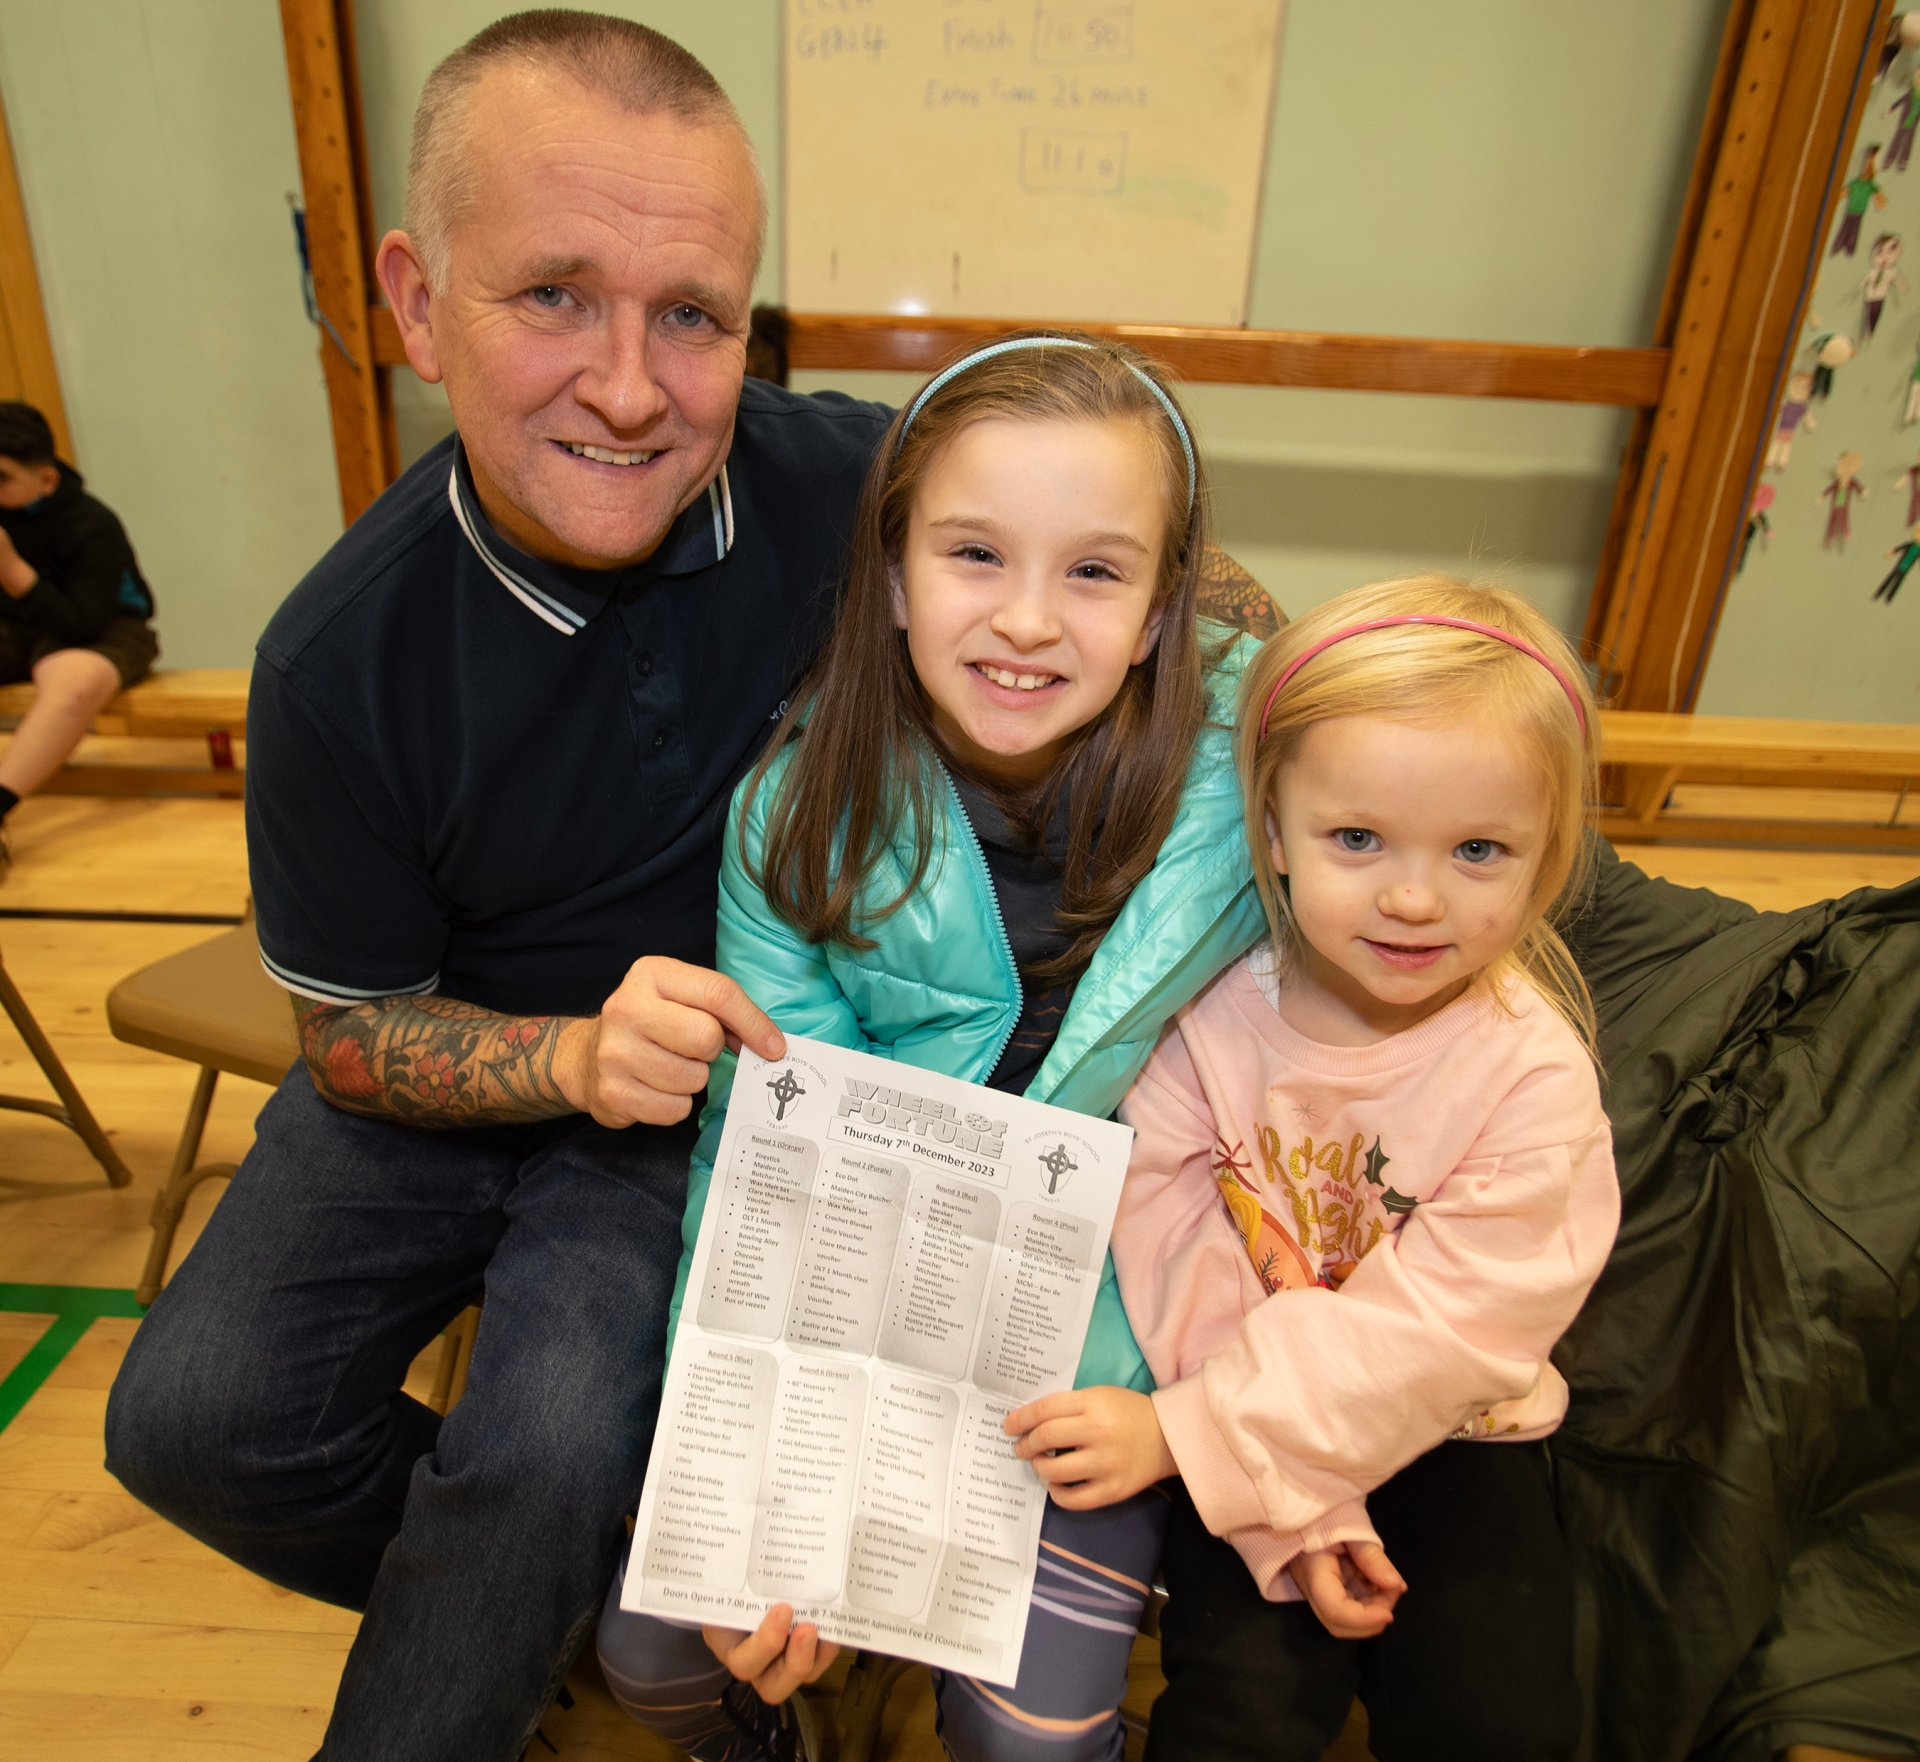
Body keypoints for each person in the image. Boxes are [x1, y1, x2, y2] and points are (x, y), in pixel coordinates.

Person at [100, 16, 1275, 1758]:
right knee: (192, 1419)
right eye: (553, 295)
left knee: (549, 1437)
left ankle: (572, 1583)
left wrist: (1332, 722)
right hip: (471, 1059)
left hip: (729, 1090)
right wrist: (569, 1057)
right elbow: (346, 1036)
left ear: (748, 328)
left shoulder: (850, 485)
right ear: (415, 302)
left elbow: (1140, 564)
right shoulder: (336, 662)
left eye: (693, 317)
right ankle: (567, 1598)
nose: (631, 387)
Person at [595, 332, 1267, 1761]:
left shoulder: (1262, 781)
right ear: (895, 578)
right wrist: (757, 1473)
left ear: (1162, 610)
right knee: (654, 1653)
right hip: (860, 1328)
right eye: (974, 554)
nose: (1028, 619)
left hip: (1108, 1363)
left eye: (1095, 572)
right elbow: (763, 1163)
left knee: (1031, 1742)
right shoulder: (796, 815)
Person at [1003, 578, 1621, 1760]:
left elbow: (1442, 1335)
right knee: (1235, 1716)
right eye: (1358, 838)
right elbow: (1172, 1238)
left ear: (1545, 857)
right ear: (1275, 832)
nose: (1412, 896)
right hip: (1232, 1401)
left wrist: (1196, 1436)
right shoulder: (1201, 1018)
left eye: (1478, 849)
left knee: (1497, 1720)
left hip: (1460, 1433)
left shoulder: (1534, 1079)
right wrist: (1294, 1509)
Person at [0, 401, 157, 865]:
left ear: (46, 480)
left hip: (107, 627)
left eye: (2, 478)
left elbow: (82, 623)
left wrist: (12, 571)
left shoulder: (91, 524)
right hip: (22, 625)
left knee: (74, 682)